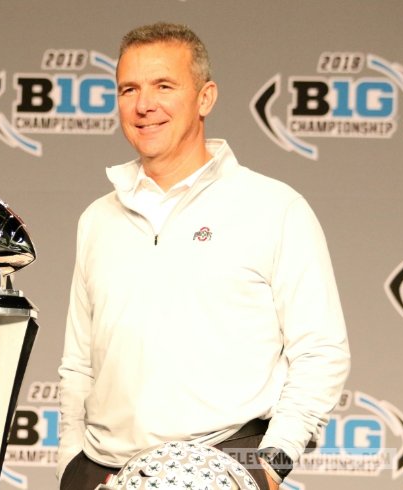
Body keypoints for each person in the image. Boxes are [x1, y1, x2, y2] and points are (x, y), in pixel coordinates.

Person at [57, 22, 350, 490]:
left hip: (224, 464)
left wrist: (269, 465)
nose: (144, 104)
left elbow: (321, 351)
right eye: (128, 89)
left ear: (205, 98)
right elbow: (78, 364)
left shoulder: (274, 207)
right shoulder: (98, 218)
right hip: (101, 471)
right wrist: (70, 461)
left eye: (163, 86)